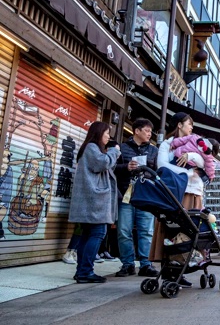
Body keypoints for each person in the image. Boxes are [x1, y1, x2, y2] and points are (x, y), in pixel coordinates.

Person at [150, 112, 212, 287]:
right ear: (179, 125)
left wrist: (191, 157)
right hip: (176, 192)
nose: (191, 127)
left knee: (190, 231)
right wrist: (188, 172)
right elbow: (162, 166)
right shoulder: (167, 144)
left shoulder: (196, 142)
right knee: (171, 230)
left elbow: (204, 161)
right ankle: (168, 272)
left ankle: (182, 269)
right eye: (188, 124)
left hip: (195, 192)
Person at [68, 122, 120, 283]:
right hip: (94, 202)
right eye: (106, 133)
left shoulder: (91, 149)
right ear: (98, 133)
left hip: (91, 201)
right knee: (98, 233)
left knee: (87, 235)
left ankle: (82, 271)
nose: (108, 136)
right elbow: (102, 164)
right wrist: (114, 151)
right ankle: (85, 271)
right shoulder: (91, 148)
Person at [114, 118, 159, 278]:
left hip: (146, 196)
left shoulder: (154, 151)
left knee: (146, 231)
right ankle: (127, 264)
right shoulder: (122, 148)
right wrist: (125, 167)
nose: (149, 134)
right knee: (124, 231)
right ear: (137, 131)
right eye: (146, 131)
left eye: (150, 131)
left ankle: (146, 264)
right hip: (126, 195)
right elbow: (112, 169)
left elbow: (157, 173)